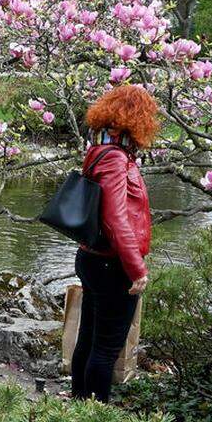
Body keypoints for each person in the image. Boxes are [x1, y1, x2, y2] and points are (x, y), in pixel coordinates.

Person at [67, 84, 157, 404]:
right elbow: (116, 218)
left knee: (89, 339)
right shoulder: (116, 159)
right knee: (105, 348)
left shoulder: (100, 150)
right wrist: (137, 269)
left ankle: (79, 408)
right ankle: (96, 419)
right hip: (111, 264)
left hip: (94, 258)